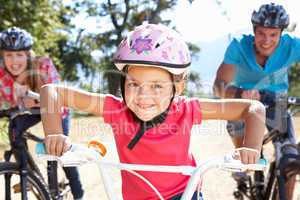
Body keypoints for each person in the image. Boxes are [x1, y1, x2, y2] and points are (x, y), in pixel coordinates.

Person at [40, 23, 265, 200]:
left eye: (157, 86)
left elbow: (253, 108)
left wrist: (251, 148)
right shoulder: (117, 109)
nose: (143, 96)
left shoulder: (187, 109)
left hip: (184, 194)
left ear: (178, 87)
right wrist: (54, 133)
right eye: (133, 84)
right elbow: (51, 92)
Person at [213, 3, 300, 199]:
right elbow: (218, 86)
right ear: (254, 31)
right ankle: (244, 161)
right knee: (238, 125)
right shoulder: (238, 45)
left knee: (289, 159)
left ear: (281, 34)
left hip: (276, 100)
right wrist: (239, 93)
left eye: (273, 35)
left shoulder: (292, 45)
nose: (267, 40)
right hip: (244, 102)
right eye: (261, 33)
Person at [0, 27, 84, 200]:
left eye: (19, 55)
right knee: (15, 128)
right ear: (3, 56)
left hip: (55, 108)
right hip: (27, 111)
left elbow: (59, 97)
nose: (14, 61)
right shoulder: (2, 73)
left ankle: (79, 194)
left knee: (60, 149)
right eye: (9, 55)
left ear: (28, 55)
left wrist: (39, 99)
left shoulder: (43, 65)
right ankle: (28, 175)